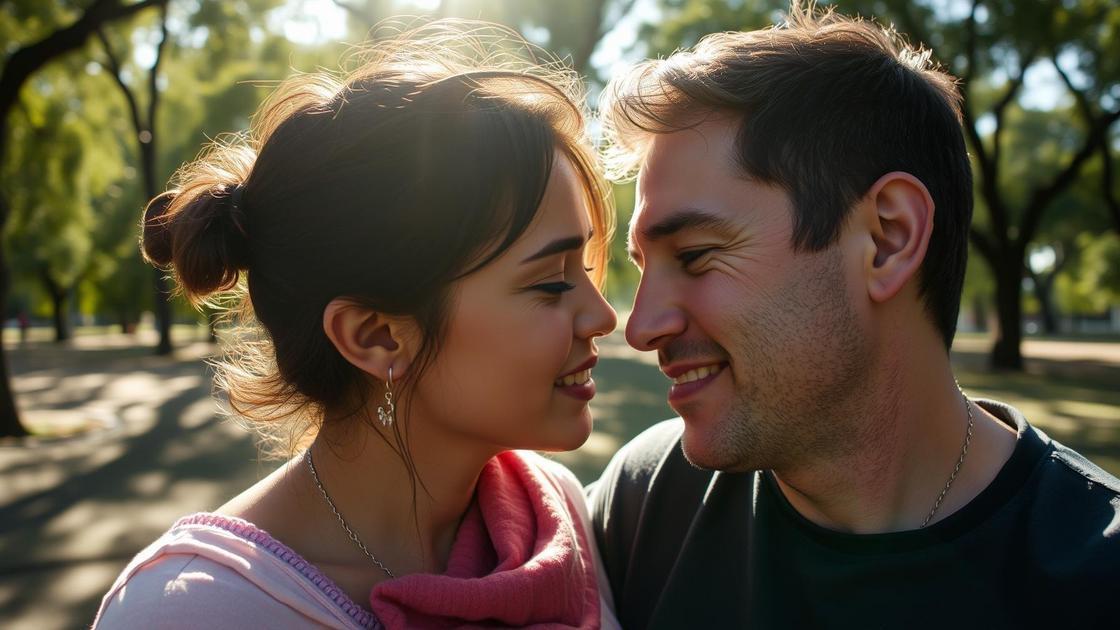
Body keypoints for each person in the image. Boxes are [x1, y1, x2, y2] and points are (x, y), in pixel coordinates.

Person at [588, 4, 1120, 629]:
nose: (641, 326)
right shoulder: (646, 501)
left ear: (887, 239)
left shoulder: (1096, 579)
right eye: (645, 264)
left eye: (697, 255)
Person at [94, 21, 620, 629]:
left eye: (585, 266)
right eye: (551, 283)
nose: (603, 316)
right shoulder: (193, 611)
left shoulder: (555, 515)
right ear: (375, 336)